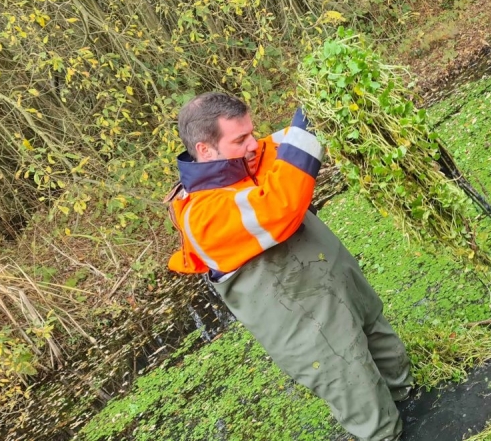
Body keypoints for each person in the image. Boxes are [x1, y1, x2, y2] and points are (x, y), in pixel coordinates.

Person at [165, 92, 413, 441]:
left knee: (398, 374)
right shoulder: (203, 216)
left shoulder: (250, 159)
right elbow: (280, 206)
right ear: (205, 150)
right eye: (240, 139)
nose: (254, 144)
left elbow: (290, 144)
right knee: (375, 422)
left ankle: (412, 400)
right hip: (315, 336)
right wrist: (309, 119)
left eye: (252, 132)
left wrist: (329, 101)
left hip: (347, 297)